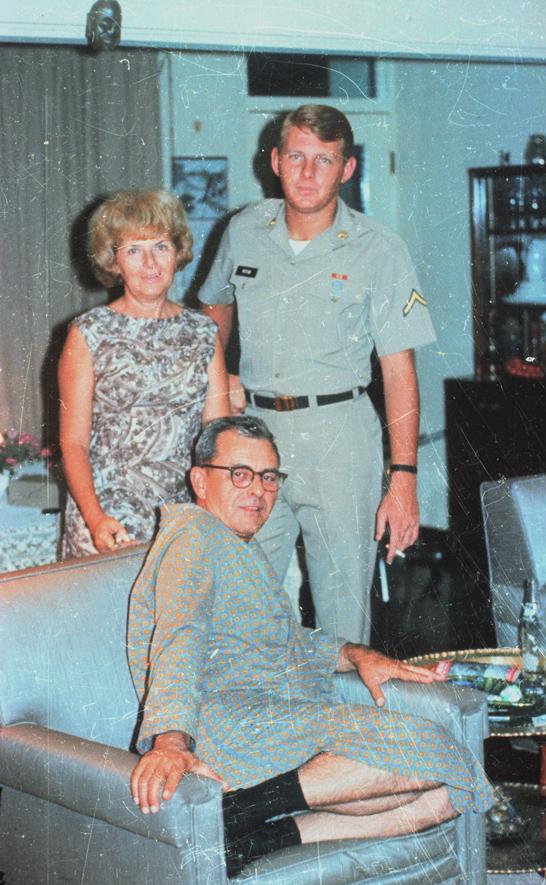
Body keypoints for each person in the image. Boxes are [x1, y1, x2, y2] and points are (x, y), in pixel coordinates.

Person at [128, 415, 494, 878]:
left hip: (275, 717)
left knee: (448, 795)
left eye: (268, 477)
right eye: (239, 474)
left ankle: (256, 836)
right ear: (200, 480)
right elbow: (178, 636)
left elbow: (284, 639)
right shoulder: (193, 537)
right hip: (229, 724)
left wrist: (355, 654)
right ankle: (243, 810)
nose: (258, 491)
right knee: (435, 754)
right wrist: (170, 740)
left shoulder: (237, 544)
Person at [199, 104, 436, 644]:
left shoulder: (379, 248)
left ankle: (341, 703)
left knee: (342, 616)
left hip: (339, 437)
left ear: (346, 169)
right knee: (242, 603)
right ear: (275, 161)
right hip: (255, 439)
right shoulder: (244, 230)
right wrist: (223, 377)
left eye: (324, 161)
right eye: (297, 158)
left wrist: (403, 479)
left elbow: (399, 370)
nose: (307, 174)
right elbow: (213, 309)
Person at [58, 189, 229, 558]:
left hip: (182, 520)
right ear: (114, 261)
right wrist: (95, 518)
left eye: (161, 246)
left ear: (177, 252)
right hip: (106, 523)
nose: (150, 262)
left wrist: (214, 513)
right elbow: (73, 443)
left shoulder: (204, 332)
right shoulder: (88, 333)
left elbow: (218, 438)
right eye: (134, 250)